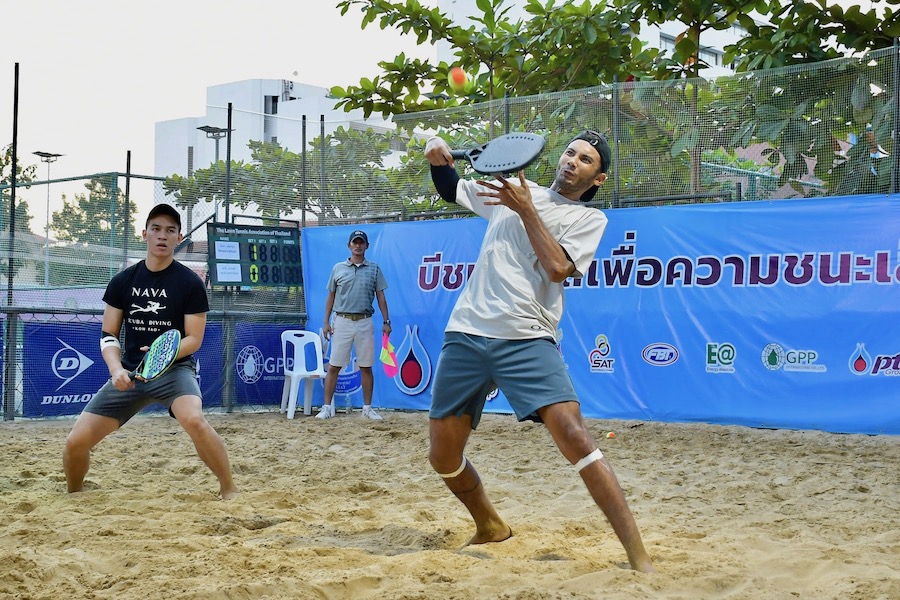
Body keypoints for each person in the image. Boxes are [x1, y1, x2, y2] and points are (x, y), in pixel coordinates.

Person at [423, 131, 655, 573]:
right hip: (468, 331)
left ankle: (638, 557)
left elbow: (558, 267)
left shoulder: (589, 219)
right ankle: (490, 525)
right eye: (570, 153)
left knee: (575, 436)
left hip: (528, 335)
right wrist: (437, 158)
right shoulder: (504, 190)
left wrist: (527, 208)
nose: (572, 161)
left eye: (585, 160)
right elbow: (451, 186)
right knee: (442, 456)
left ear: (597, 178)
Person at [63, 203, 239, 500]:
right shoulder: (123, 281)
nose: (162, 235)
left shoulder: (190, 283)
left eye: (170, 230)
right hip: (131, 372)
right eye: (156, 228)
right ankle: (74, 495)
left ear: (179, 238)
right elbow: (108, 334)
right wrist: (116, 369)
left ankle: (229, 489)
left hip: (176, 370)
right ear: (144, 233)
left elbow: (194, 339)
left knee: (194, 420)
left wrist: (162, 354)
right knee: (75, 443)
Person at [318, 229, 392, 420]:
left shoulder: (374, 269)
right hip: (341, 321)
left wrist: (386, 321)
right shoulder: (338, 268)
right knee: (334, 366)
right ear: (349, 246)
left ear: (367, 245)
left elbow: (381, 297)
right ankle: (326, 407)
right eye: (355, 242)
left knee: (366, 366)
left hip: (365, 322)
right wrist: (326, 322)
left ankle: (367, 408)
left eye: (361, 242)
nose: (358, 245)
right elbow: (331, 296)